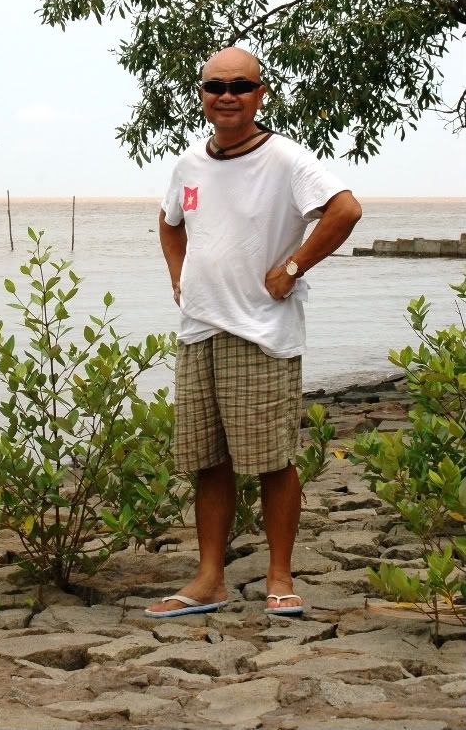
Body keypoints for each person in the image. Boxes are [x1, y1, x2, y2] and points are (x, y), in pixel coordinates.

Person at [146, 46, 362, 618]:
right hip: (199, 331)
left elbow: (345, 210)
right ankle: (209, 580)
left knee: (272, 461)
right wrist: (178, 275)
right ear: (202, 94)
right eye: (215, 86)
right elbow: (169, 222)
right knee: (208, 461)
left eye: (240, 86)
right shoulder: (188, 163)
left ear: (260, 94)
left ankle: (280, 576)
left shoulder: (286, 159)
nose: (227, 96)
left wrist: (292, 268)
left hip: (261, 333)